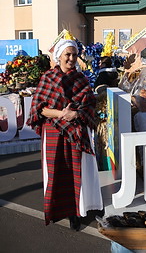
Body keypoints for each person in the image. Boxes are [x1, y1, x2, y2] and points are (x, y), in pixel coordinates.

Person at [27, 39, 103, 231]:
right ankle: (54, 209)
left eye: (74, 55)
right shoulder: (48, 78)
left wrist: (76, 114)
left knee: (75, 173)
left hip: (76, 131)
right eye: (67, 54)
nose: (71, 58)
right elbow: (40, 109)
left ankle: (75, 213)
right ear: (59, 56)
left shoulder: (82, 80)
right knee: (55, 172)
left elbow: (90, 106)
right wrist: (62, 114)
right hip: (53, 131)